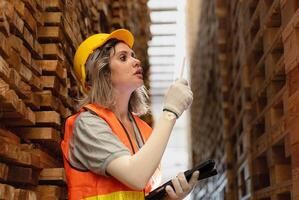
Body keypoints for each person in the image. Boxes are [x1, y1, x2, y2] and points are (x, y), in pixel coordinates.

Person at [61, 29, 199, 200]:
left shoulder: (145, 131)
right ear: (100, 73)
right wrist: (170, 112)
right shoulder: (87, 124)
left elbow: (138, 192)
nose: (136, 61)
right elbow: (136, 176)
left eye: (133, 55)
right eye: (123, 57)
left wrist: (169, 198)